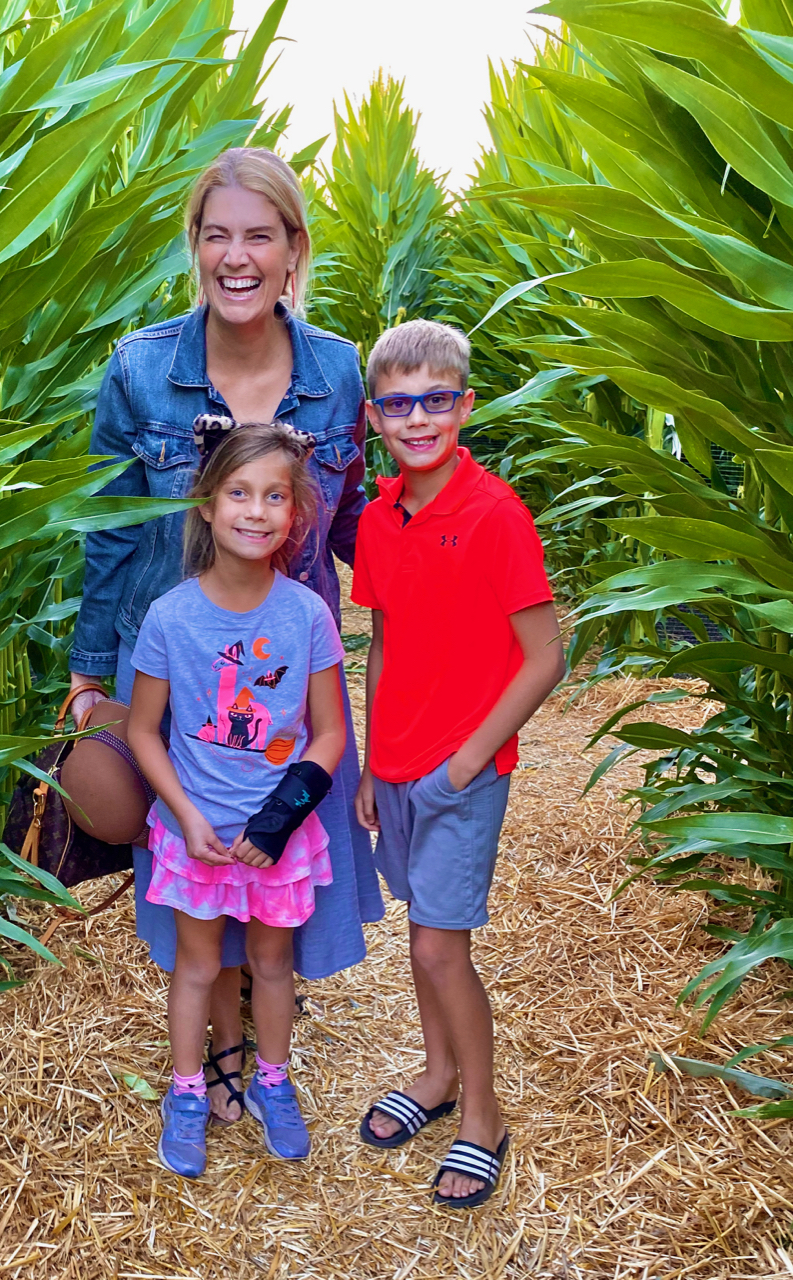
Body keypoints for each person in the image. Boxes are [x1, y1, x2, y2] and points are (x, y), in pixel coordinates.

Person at [67, 148, 383, 1125]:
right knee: (144, 817)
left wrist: (438, 560)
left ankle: (256, 1024)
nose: (236, 255)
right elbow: (114, 528)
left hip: (291, 671)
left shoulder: (335, 371)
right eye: (217, 235)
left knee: (270, 848)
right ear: (195, 248)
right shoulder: (140, 371)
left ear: (294, 251)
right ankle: (222, 1038)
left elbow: (348, 521)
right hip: (172, 656)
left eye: (260, 235)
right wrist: (86, 671)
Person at [352, 319, 566, 1210]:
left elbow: (545, 655)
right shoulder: (375, 517)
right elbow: (384, 640)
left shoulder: (494, 514)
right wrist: (370, 760)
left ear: (463, 405)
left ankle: (482, 1116)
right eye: (398, 404)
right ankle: (436, 1075)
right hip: (396, 764)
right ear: (374, 417)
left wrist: (468, 761)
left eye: (435, 400)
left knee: (442, 948)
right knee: (421, 936)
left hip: (459, 773)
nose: (417, 418)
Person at [128, 422, 347, 1177]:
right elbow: (144, 732)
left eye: (274, 497)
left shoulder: (307, 614)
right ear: (207, 504)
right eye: (238, 494)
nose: (255, 512)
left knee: (271, 964)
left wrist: (279, 821)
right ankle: (187, 1092)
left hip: (273, 838)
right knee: (194, 967)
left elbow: (328, 737)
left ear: (296, 513)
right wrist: (185, 817)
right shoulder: (170, 617)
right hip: (195, 836)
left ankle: (272, 1084)